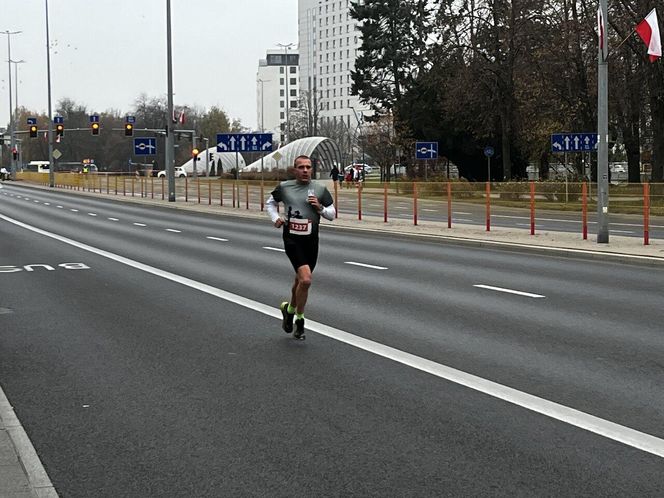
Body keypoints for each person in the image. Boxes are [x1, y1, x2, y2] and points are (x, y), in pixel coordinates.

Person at [266, 155, 335, 340]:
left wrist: (320, 208)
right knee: (306, 280)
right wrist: (276, 218)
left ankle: (288, 310)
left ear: (312, 169)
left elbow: (332, 214)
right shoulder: (285, 188)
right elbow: (270, 203)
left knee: (300, 282)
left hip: (311, 241)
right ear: (294, 170)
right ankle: (300, 321)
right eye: (301, 167)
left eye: (308, 167)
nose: (305, 170)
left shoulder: (319, 189)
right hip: (292, 239)